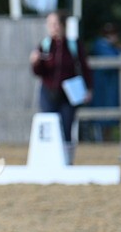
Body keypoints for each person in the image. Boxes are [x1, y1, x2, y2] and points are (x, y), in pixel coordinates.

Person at [30, 10, 93, 161]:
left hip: (68, 95)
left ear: (63, 25)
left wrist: (89, 88)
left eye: (56, 24)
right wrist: (35, 63)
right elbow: (38, 72)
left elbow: (85, 68)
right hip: (48, 93)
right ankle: (48, 160)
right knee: (49, 128)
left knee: (66, 128)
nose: (53, 27)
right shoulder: (45, 45)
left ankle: (67, 161)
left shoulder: (73, 45)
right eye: (50, 24)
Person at [88, 22, 121, 142]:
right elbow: (115, 59)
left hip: (110, 87)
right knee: (100, 117)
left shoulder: (113, 47)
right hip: (102, 87)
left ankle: (107, 139)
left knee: (110, 117)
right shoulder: (101, 45)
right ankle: (99, 140)